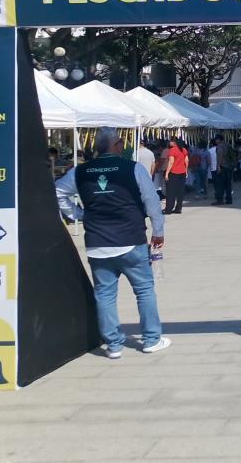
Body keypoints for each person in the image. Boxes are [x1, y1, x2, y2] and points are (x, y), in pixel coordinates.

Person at [54, 127, 171, 358]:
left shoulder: (80, 171)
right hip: (130, 239)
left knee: (105, 294)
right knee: (144, 289)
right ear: (116, 145)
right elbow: (151, 202)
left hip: (98, 243)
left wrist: (78, 214)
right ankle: (151, 339)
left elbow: (57, 191)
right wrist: (158, 231)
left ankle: (114, 345)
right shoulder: (133, 169)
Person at [163, 137, 188, 215]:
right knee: (180, 191)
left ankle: (168, 209)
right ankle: (178, 208)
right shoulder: (183, 150)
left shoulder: (172, 150)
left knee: (171, 192)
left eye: (170, 141)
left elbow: (171, 162)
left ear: (174, 142)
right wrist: (186, 170)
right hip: (182, 172)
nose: (169, 142)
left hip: (174, 172)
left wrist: (167, 173)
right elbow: (186, 161)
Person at [212, 135, 234, 205]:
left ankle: (220, 199)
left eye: (216, 139)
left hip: (223, 167)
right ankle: (229, 199)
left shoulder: (220, 146)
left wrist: (218, 166)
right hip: (229, 167)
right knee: (228, 184)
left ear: (219, 139)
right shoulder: (228, 145)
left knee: (220, 184)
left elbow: (219, 156)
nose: (215, 141)